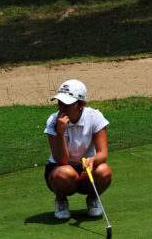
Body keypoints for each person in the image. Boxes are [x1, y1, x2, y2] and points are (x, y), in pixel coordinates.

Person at [44, 79, 112, 220]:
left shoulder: (95, 117)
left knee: (104, 171)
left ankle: (93, 199)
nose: (61, 107)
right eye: (59, 102)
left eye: (67, 104)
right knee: (65, 173)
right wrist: (60, 132)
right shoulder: (53, 121)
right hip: (59, 170)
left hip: (87, 168)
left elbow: (103, 153)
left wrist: (93, 160)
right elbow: (61, 160)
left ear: (81, 104)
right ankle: (61, 200)